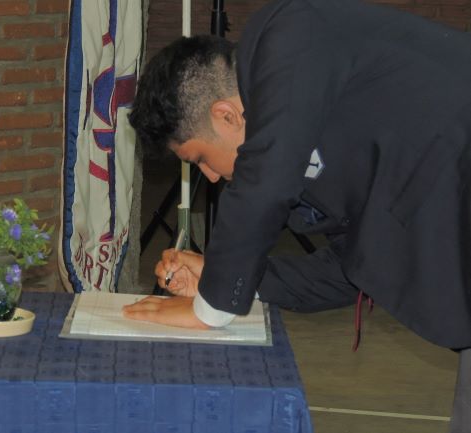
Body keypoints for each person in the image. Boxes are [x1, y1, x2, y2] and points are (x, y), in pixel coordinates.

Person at [124, 0, 471, 430]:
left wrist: (211, 307)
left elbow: (262, 185)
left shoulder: (290, 34)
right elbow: (354, 269)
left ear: (226, 116)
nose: (211, 178)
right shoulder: (309, 129)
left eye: (200, 160)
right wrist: (231, 278)